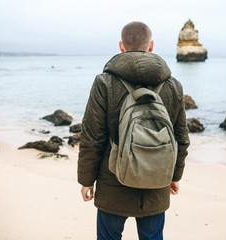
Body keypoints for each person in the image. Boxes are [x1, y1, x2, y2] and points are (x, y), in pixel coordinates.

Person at [78, 21, 190, 240]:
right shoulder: (173, 85)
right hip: (157, 180)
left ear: (121, 46)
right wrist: (175, 175)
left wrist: (86, 180)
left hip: (113, 180)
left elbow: (92, 137)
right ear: (151, 46)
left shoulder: (105, 82)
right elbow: (181, 138)